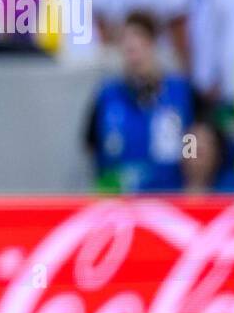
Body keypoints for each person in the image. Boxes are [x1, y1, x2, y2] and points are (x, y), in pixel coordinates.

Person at [86, 12, 201, 193]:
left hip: (170, 194)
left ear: (153, 46)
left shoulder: (179, 93)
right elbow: (91, 143)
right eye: (128, 48)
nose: (135, 55)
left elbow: (193, 135)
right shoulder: (108, 96)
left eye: (140, 45)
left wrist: (192, 172)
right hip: (119, 199)